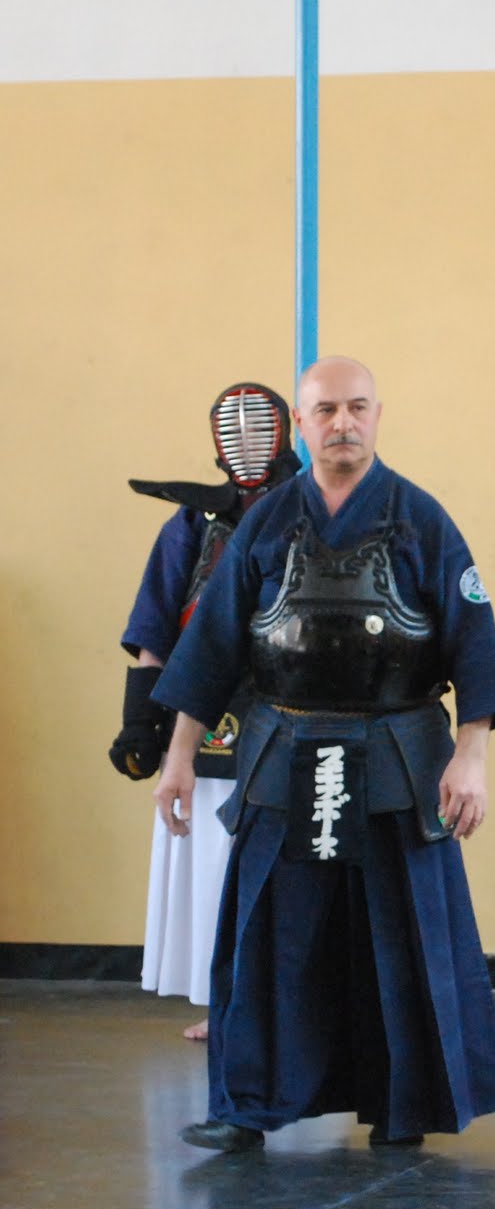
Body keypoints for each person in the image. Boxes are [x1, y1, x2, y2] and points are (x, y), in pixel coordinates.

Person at [152, 355, 495, 1153]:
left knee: (401, 933)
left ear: (378, 415)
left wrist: (472, 755)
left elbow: (474, 642)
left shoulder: (422, 519)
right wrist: (178, 755)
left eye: (356, 407)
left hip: (397, 755)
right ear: (303, 424)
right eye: (326, 410)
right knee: (267, 935)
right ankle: (247, 1103)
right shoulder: (268, 522)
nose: (342, 423)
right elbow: (212, 647)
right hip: (284, 749)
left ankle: (402, 1103)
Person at [113, 383, 300, 1040]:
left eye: (259, 427)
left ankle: (293, 1006)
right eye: (234, 428)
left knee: (293, 868)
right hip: (207, 717)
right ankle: (227, 1002)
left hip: (294, 713)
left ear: (284, 431)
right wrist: (140, 724)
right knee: (213, 865)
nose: (247, 440)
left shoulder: (315, 509)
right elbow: (156, 625)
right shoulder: (191, 526)